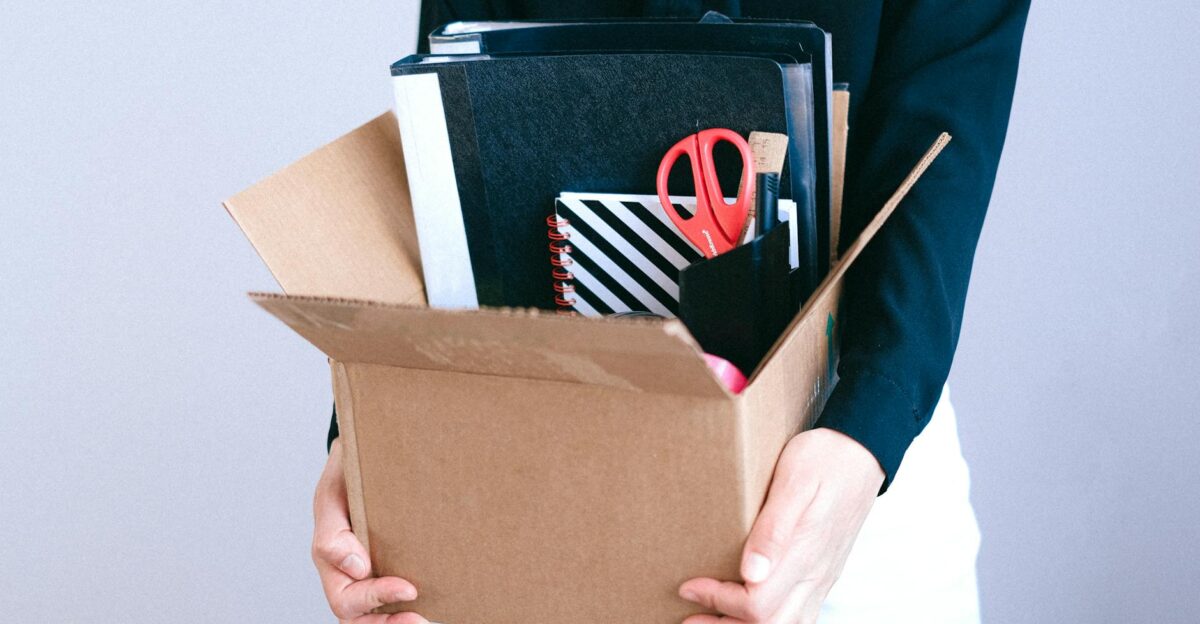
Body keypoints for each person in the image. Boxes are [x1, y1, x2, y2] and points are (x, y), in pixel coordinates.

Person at [311, 1, 1031, 622]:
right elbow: (455, 117)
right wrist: (370, 431)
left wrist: (866, 432)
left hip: (835, 462)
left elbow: (945, 134)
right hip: (533, 462)